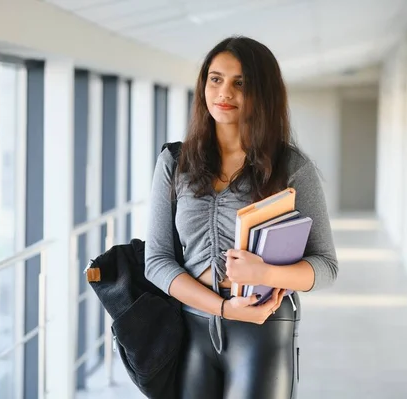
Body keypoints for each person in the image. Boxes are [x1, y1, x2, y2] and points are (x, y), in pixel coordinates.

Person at [144, 35, 338, 399]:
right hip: (190, 325)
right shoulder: (174, 162)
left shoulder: (291, 168)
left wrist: (264, 274)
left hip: (263, 325)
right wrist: (222, 307)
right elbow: (156, 261)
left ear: (262, 93)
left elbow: (326, 266)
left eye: (240, 83)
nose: (224, 93)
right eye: (215, 79)